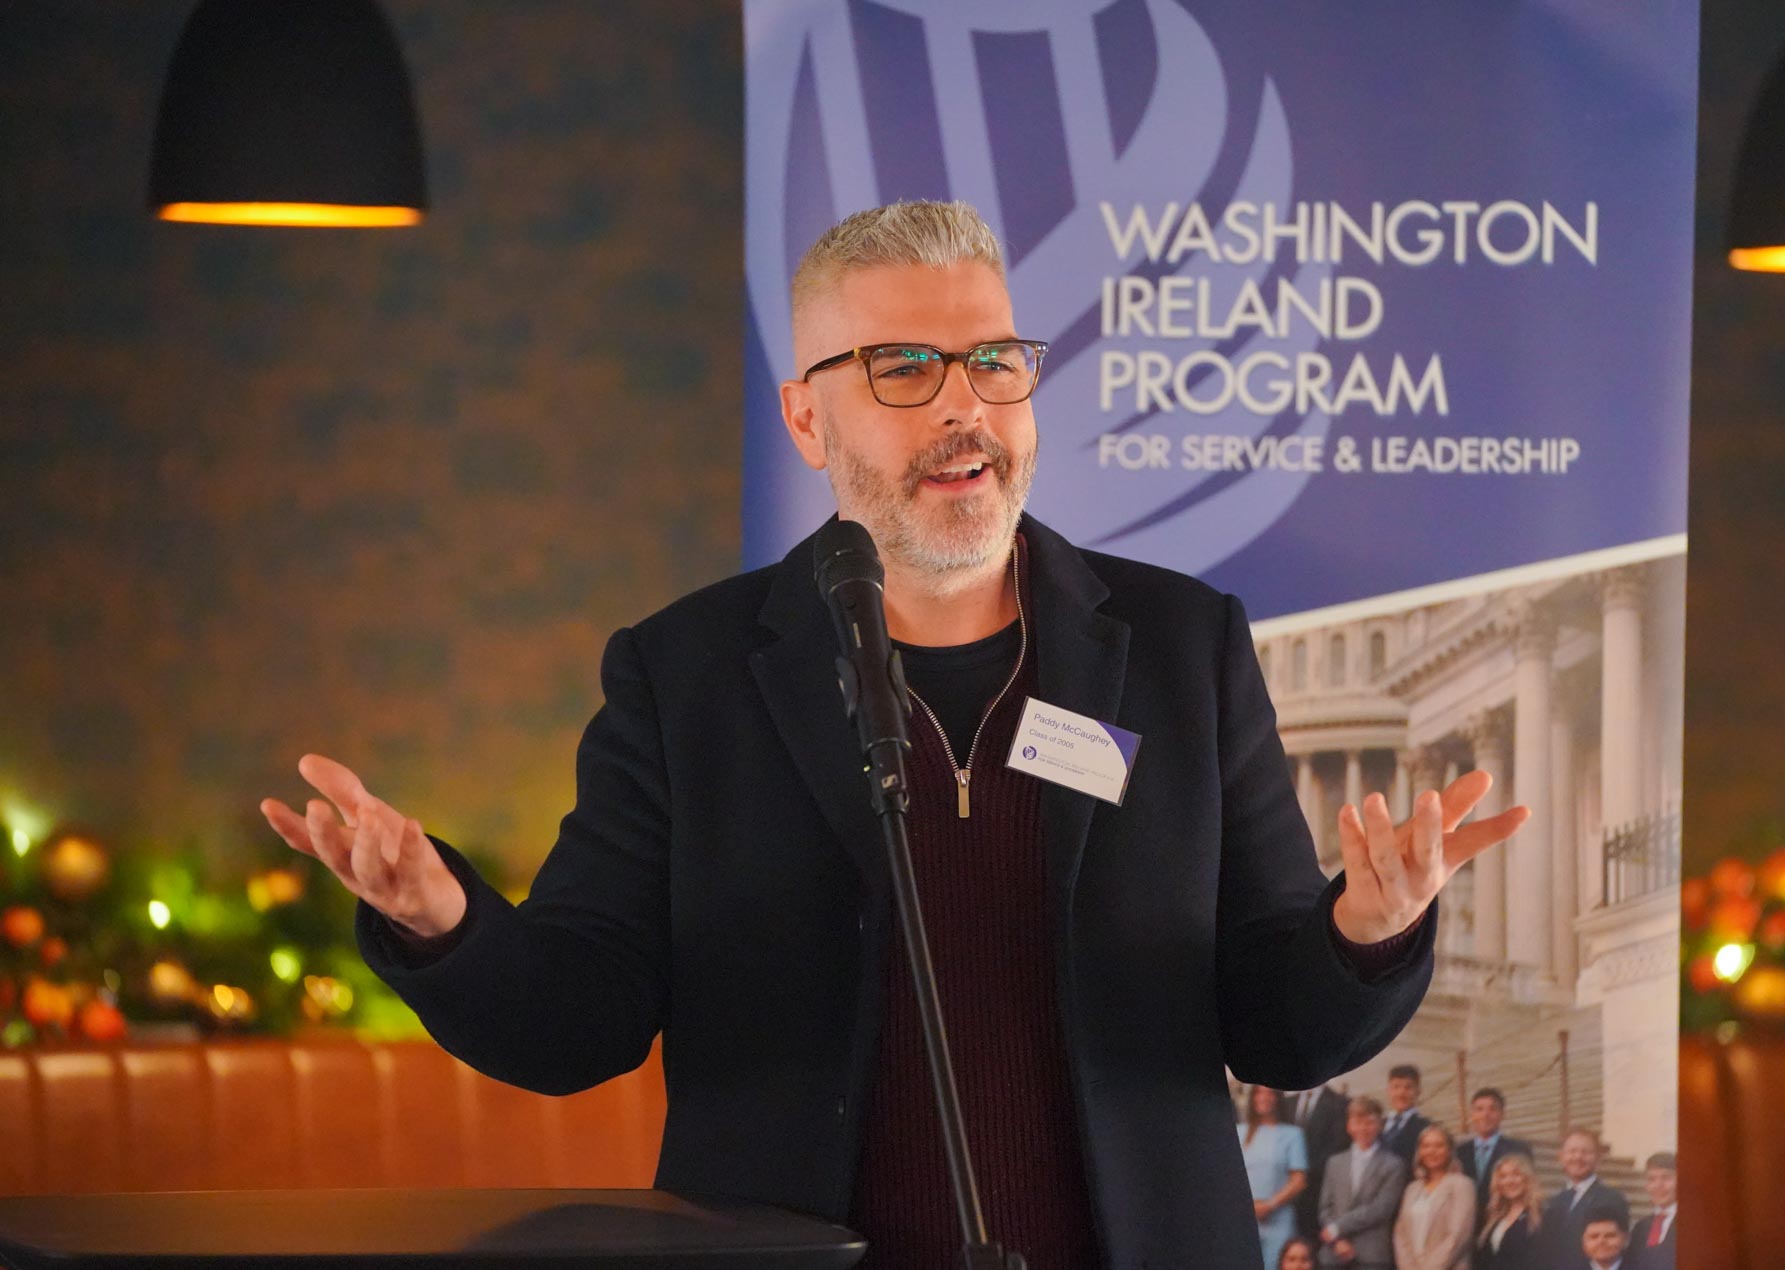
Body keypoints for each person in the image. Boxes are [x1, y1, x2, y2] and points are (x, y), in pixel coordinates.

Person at [259, 200, 1529, 1270]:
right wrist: (442, 922)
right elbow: (575, 1023)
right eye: (905, 368)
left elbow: (1276, 1026)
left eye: (994, 361)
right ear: (806, 419)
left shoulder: (1181, 648)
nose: (964, 406)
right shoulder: (689, 676)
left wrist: (1367, 932)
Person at [1316, 1097, 1408, 1268]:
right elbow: (1325, 1208)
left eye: (1369, 1122)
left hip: (1371, 1253)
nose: (1363, 1128)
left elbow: (1381, 1209)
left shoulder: (1393, 1164)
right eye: (1357, 1122)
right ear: (1349, 1126)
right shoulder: (1335, 1162)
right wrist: (1336, 1239)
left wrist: (1338, 1227)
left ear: (1380, 1125)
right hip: (1334, 1251)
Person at [1540, 1128, 1628, 1270]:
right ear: (1561, 1157)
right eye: (1572, 1151)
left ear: (1598, 1158)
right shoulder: (1552, 1202)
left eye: (1586, 1152)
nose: (1578, 1157)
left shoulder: (1612, 1199)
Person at [1243, 1085, 1311, 1270]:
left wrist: (1270, 1205)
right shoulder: (1240, 1132)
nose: (1264, 1097)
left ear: (1278, 1098)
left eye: (1270, 1093)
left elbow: (1299, 1180)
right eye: (1259, 1093)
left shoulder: (1292, 1134)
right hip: (1245, 1217)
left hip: (1278, 1219)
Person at [1393, 1123, 1477, 1270]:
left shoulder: (1462, 1185)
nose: (1432, 1151)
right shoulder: (1412, 1188)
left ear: (1449, 1150)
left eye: (1439, 1145)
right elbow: (1401, 1234)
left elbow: (1458, 1237)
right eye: (1426, 1146)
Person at [1288, 1081, 1352, 1253]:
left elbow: (1338, 1146)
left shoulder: (1340, 1103)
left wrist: (1303, 1173)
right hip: (1287, 1197)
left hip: (1320, 1194)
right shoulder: (1288, 1103)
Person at [1455, 1087, 1534, 1214]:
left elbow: (1527, 1191)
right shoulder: (1459, 1152)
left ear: (1502, 1114)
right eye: (1479, 1109)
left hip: (1502, 1218)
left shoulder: (1518, 1149)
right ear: (1472, 1115)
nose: (1485, 1115)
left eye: (1492, 1109)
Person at [1473, 1153, 1545, 1270]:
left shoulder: (1540, 1215)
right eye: (1503, 1176)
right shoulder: (1495, 1216)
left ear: (1527, 1178)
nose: (1509, 1181)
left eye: (1516, 1174)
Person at [1624, 1152, 1675, 1270]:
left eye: (1666, 1178)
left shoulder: (1692, 1225)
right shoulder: (1641, 1227)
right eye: (1651, 1179)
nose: (1658, 1185)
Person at [1379, 1063, 1432, 1164]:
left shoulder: (1426, 1127)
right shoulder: (1377, 1125)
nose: (1401, 1093)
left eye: (1408, 1087)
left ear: (1418, 1091)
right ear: (1388, 1091)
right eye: (1396, 1087)